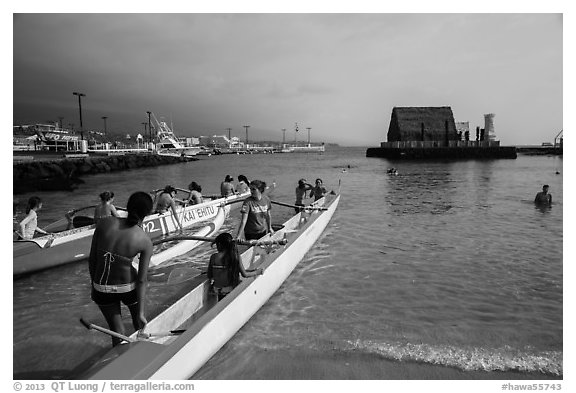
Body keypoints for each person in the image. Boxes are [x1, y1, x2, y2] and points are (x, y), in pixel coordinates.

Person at [88, 192, 154, 346]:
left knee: (118, 333)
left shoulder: (104, 224)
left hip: (101, 287)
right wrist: (141, 313)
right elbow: (142, 280)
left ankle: (119, 358)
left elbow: (93, 260)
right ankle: (141, 349)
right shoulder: (144, 240)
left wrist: (94, 286)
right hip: (127, 288)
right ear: (147, 213)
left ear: (127, 206)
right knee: (140, 325)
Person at [207, 232, 263, 300]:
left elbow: (209, 275)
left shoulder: (213, 257)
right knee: (240, 282)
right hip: (231, 290)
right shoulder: (235, 256)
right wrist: (257, 272)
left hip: (218, 290)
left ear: (219, 244)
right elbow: (245, 274)